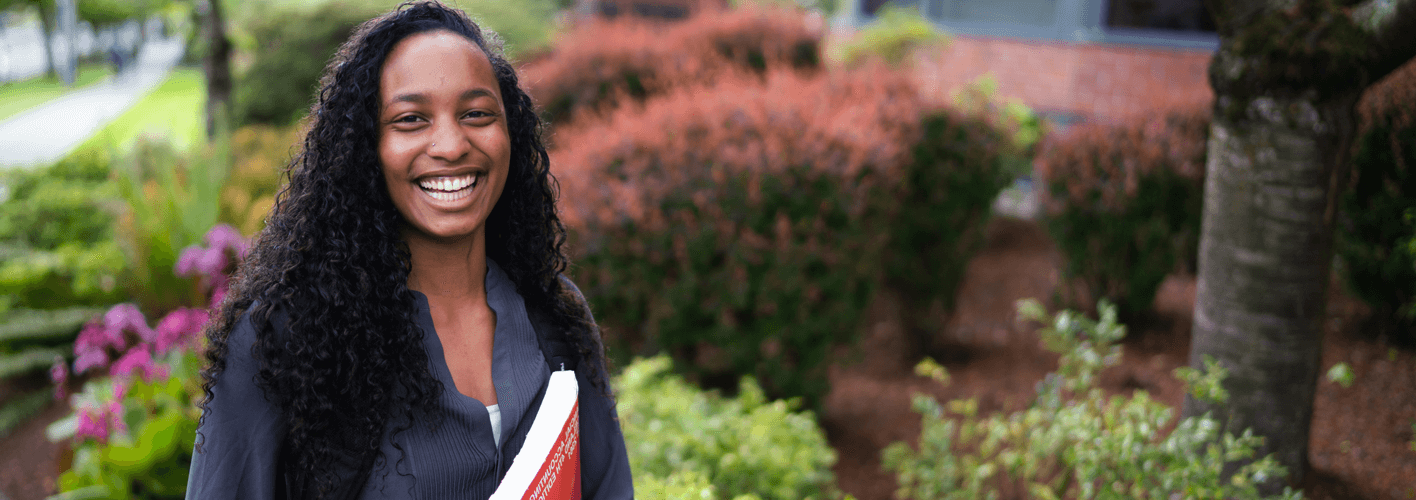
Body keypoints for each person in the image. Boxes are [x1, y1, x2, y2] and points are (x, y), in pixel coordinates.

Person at [184, 2, 632, 498]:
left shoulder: (556, 317)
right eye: (411, 119)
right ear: (365, 147)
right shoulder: (283, 340)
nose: (451, 144)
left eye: (477, 114)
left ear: (512, 131)